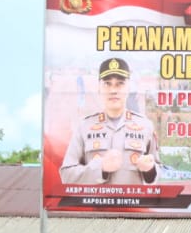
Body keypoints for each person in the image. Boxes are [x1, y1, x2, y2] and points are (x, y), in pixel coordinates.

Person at [58, 57, 161, 185]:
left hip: (133, 205)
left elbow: (158, 171)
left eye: (120, 84)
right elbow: (66, 175)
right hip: (95, 205)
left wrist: (150, 170)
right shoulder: (84, 127)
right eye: (107, 84)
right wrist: (101, 168)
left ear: (129, 88)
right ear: (99, 88)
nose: (113, 90)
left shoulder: (145, 126)